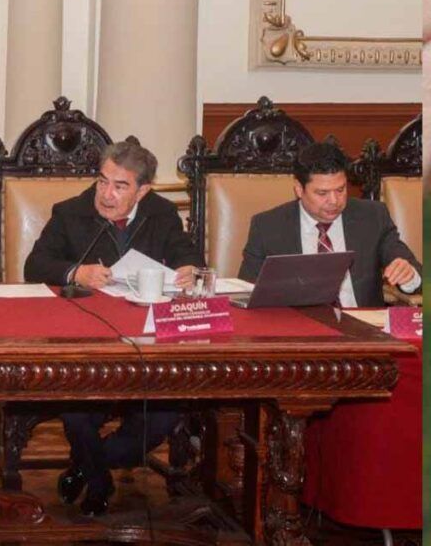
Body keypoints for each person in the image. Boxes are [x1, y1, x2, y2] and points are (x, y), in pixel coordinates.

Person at [24, 138, 204, 517]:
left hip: (148, 341)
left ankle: (87, 467)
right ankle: (99, 483)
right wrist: (77, 272)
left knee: (163, 416)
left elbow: (186, 254)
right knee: (77, 413)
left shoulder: (162, 214)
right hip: (89, 340)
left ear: (143, 190)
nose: (106, 194)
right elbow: (35, 265)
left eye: (120, 186)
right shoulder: (71, 212)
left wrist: (189, 268)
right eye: (102, 181)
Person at [239, 141, 420, 307]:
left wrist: (409, 275)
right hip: (297, 327)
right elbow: (245, 293)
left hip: (364, 325)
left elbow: (416, 272)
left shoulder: (372, 217)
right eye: (322, 193)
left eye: (340, 190)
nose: (334, 201)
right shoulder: (267, 227)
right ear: (299, 189)